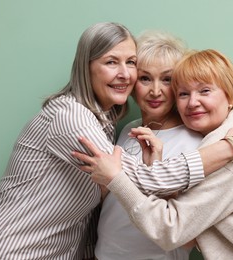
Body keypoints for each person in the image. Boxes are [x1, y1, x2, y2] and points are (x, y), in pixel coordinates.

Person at [0, 22, 233, 259]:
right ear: (86, 67)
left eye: (130, 63)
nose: (126, 75)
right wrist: (231, 148)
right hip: (15, 251)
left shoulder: (110, 126)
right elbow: (127, 186)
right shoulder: (78, 119)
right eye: (112, 62)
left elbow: (95, 202)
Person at [76, 49, 233, 259]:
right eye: (184, 94)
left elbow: (170, 230)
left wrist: (115, 178)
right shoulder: (214, 142)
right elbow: (189, 229)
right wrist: (157, 169)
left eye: (204, 91)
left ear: (230, 97)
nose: (192, 102)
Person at [95, 30, 201, 260]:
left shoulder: (194, 142)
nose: (155, 91)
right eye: (145, 78)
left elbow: (187, 230)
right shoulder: (127, 130)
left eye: (167, 79)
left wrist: (159, 176)